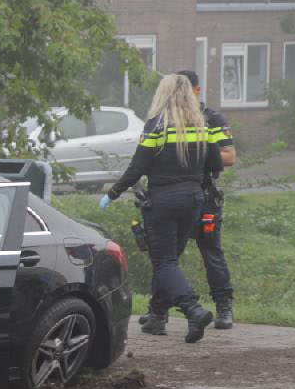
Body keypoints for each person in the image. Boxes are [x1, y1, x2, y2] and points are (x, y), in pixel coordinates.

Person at [99, 74, 224, 344]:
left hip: (163, 201)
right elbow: (216, 165)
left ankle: (193, 309)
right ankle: (157, 317)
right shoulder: (202, 125)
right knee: (171, 260)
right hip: (193, 200)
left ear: (163, 94)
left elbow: (138, 166)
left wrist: (113, 192)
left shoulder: (157, 126)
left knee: (164, 261)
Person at [139, 69, 236, 332]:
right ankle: (158, 313)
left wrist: (194, 153)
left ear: (197, 91)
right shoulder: (165, 119)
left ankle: (224, 307)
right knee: (167, 257)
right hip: (177, 194)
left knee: (210, 250)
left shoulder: (211, 119)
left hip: (202, 194)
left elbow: (228, 156)